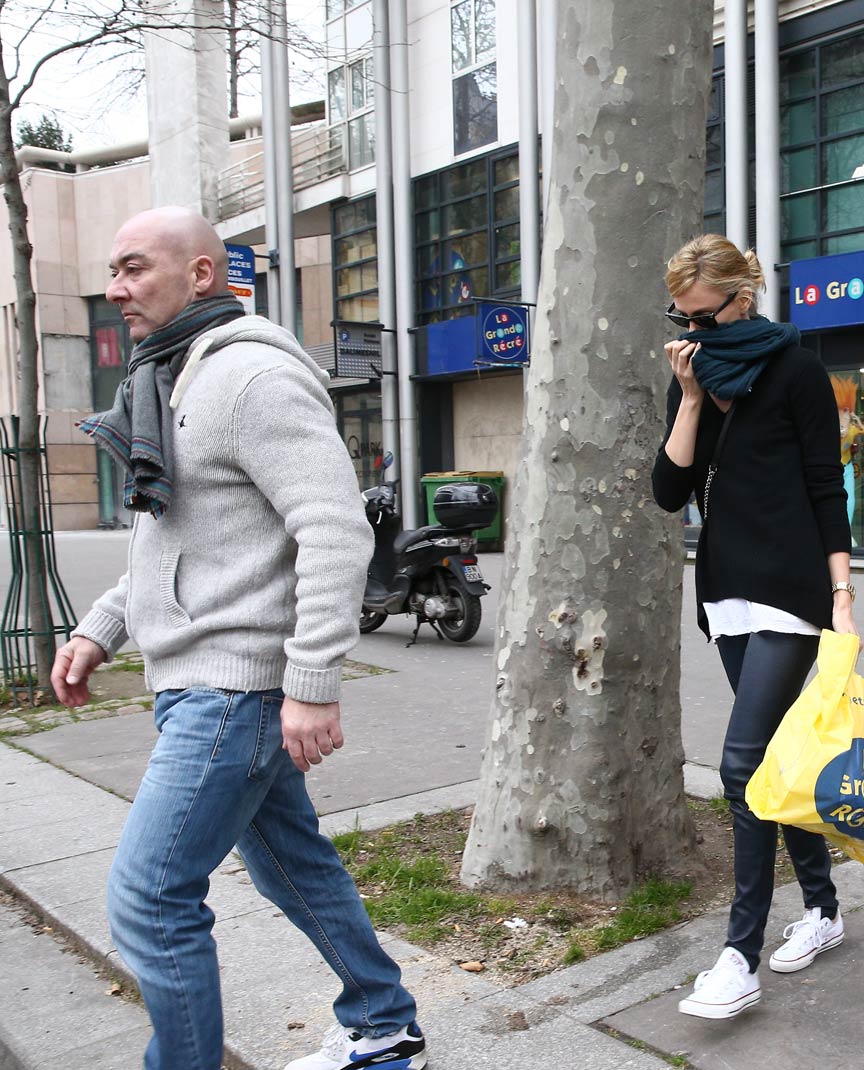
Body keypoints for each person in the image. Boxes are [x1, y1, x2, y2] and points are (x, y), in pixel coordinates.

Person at [53, 207, 426, 1070]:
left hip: (236, 692)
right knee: (293, 866)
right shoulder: (170, 377)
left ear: (201, 276)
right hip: (204, 683)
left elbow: (335, 529)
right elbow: (176, 536)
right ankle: (384, 1025)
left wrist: (312, 683)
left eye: (134, 267)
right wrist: (102, 627)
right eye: (111, 270)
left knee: (149, 899)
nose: (115, 289)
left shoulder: (252, 377)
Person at [651, 234, 859, 1020]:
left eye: (705, 314)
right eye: (683, 315)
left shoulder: (797, 368)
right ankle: (825, 908)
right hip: (727, 590)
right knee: (775, 760)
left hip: (792, 589)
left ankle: (738, 956)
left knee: (740, 766)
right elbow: (670, 491)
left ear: (745, 297)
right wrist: (694, 396)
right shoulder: (695, 372)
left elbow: (822, 486)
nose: (693, 329)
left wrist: (841, 592)